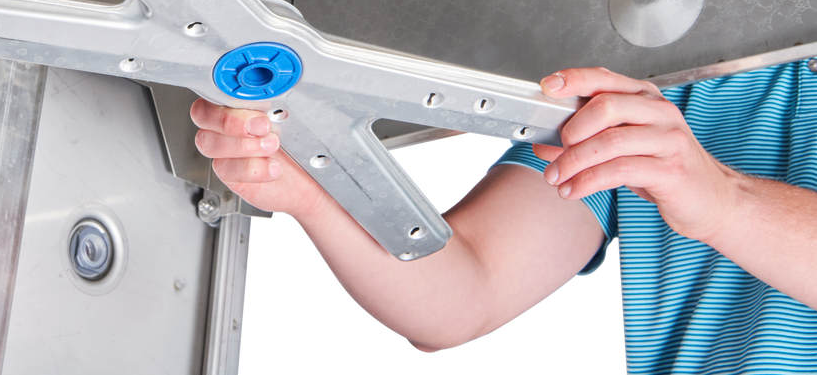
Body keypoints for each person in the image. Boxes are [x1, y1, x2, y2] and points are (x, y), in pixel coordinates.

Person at [191, 63, 817, 371]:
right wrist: (313, 185)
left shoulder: (668, 136)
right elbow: (464, 295)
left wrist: (723, 199)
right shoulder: (688, 86)